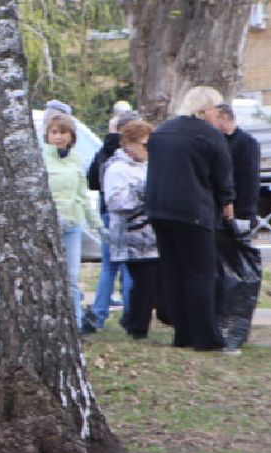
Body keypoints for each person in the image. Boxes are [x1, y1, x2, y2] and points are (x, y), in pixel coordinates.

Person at [145, 86, 235, 351]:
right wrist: (227, 208)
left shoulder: (161, 132)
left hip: (160, 210)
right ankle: (205, 337)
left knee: (173, 271)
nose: (218, 115)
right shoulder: (209, 136)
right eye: (216, 109)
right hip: (193, 211)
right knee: (200, 273)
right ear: (206, 110)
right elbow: (222, 177)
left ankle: (182, 333)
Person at [101, 119, 160, 338]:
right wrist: (144, 191)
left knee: (150, 282)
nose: (147, 150)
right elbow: (116, 202)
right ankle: (136, 326)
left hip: (149, 235)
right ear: (128, 143)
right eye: (144, 145)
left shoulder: (146, 166)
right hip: (130, 235)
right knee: (143, 282)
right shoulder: (117, 168)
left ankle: (133, 320)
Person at [43, 115, 101, 331]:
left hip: (73, 224)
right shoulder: (42, 160)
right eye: (54, 133)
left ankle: (75, 326)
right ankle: (49, 324)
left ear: (71, 136)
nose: (59, 137)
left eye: (63, 133)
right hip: (49, 225)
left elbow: (82, 195)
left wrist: (96, 224)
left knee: (71, 278)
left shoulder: (76, 160)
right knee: (48, 277)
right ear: (48, 136)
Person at [85, 106, 136, 330]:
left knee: (108, 267)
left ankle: (99, 313)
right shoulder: (127, 155)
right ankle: (131, 314)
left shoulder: (102, 152)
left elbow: (92, 181)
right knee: (129, 267)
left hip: (106, 211)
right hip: (125, 215)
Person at [213, 104, 261, 229]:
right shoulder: (217, 141)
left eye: (215, 118)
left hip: (239, 207)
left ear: (224, 117)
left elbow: (249, 179)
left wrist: (246, 213)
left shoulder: (247, 143)